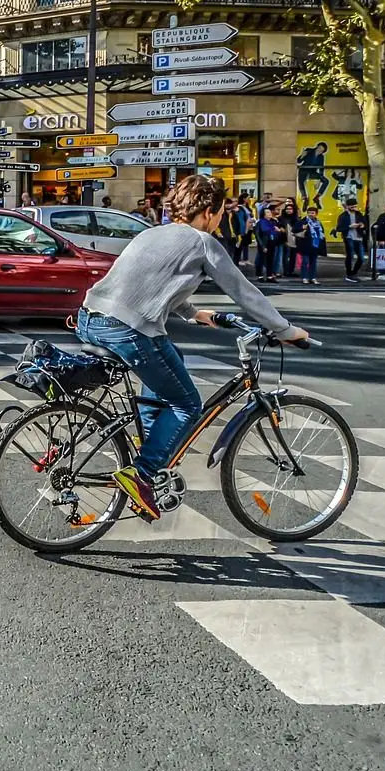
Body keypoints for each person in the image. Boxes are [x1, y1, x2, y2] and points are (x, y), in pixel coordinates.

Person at [76, 173, 309, 522]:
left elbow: (152, 283)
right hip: (128, 330)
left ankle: (151, 444)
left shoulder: (151, 233)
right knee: (187, 403)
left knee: (172, 360)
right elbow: (243, 291)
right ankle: (143, 474)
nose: (219, 220)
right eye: (219, 213)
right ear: (209, 211)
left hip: (90, 319)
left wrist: (195, 313)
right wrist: (286, 329)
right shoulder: (202, 242)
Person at [335, 199, 370, 283]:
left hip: (358, 237)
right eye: (352, 206)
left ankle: (353, 273)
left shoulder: (359, 214)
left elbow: (365, 224)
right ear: (347, 206)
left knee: (361, 258)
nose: (354, 208)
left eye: (355, 206)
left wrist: (362, 225)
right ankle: (349, 274)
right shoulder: (343, 216)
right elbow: (339, 228)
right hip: (348, 237)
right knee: (350, 255)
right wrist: (350, 226)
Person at [219, 196, 251, 266]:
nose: (229, 205)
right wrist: (218, 232)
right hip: (223, 237)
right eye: (227, 204)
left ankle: (234, 269)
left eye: (229, 203)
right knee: (225, 254)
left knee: (234, 254)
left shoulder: (234, 214)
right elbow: (217, 224)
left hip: (233, 237)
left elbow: (237, 226)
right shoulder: (221, 214)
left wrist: (239, 236)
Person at [254, 204, 282, 282]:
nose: (269, 214)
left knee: (271, 259)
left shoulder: (273, 222)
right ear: (264, 214)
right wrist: (263, 246)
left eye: (270, 212)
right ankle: (260, 275)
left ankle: (270, 275)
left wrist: (278, 231)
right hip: (264, 243)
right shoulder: (260, 222)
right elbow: (258, 235)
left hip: (272, 242)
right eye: (267, 212)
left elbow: (276, 232)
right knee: (261, 259)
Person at [299, 205, 326, 286]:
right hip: (306, 245)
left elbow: (321, 234)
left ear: (316, 214)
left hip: (315, 245)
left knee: (313, 262)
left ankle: (312, 277)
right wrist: (302, 228)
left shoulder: (318, 223)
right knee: (305, 261)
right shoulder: (303, 221)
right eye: (309, 213)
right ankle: (304, 277)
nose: (311, 214)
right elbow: (295, 230)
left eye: (313, 213)